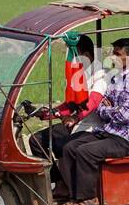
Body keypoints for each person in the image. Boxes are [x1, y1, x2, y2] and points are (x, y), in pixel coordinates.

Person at [57, 37, 129, 205]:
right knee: (69, 146)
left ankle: (88, 199)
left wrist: (109, 110)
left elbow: (125, 115)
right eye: (113, 52)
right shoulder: (115, 78)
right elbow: (101, 103)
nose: (112, 56)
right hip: (109, 131)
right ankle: (72, 194)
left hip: (126, 139)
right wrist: (110, 109)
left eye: (117, 53)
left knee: (85, 152)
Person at [29, 33, 106, 168]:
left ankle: (65, 184)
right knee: (36, 140)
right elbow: (70, 105)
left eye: (75, 55)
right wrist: (45, 113)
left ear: (86, 55)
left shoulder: (100, 76)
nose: (73, 60)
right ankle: (52, 179)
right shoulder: (79, 73)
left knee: (62, 146)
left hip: (92, 128)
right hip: (76, 125)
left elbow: (92, 102)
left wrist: (75, 118)